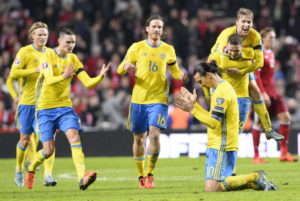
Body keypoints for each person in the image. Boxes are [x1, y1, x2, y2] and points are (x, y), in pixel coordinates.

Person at [24, 27, 111, 190]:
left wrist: (99, 77)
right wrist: (63, 76)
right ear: (59, 41)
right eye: (68, 42)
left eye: (73, 42)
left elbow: (87, 82)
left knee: (74, 136)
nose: (71, 45)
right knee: (48, 150)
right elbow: (49, 80)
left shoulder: (73, 59)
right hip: (45, 109)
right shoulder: (47, 55)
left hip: (64, 108)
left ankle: (82, 178)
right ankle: (31, 168)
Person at [175, 61, 278, 192]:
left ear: (208, 75)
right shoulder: (222, 89)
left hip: (221, 145)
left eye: (201, 81)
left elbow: (213, 123)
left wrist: (192, 110)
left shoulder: (221, 93)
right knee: (219, 185)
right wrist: (194, 105)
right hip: (225, 143)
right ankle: (256, 182)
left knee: (213, 188)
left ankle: (255, 177)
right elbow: (213, 117)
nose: (201, 86)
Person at [117, 15, 187, 189]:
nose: (157, 30)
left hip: (159, 99)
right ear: (147, 29)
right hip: (138, 100)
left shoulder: (168, 49)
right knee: (139, 139)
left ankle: (150, 173)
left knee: (154, 135)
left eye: (160, 27)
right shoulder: (137, 47)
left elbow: (175, 71)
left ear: (162, 31)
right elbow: (119, 69)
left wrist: (181, 76)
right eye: (154, 26)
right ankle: (140, 175)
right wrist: (125, 68)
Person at [207, 8, 283, 141]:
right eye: (243, 22)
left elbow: (259, 63)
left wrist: (242, 69)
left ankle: (268, 129)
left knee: (255, 90)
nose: (246, 25)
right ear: (237, 22)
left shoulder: (255, 36)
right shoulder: (226, 36)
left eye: (249, 22)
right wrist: (249, 57)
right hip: (216, 64)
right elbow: (225, 65)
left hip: (241, 64)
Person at [6, 22, 56, 187]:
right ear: (32, 36)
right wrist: (33, 71)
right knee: (25, 140)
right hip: (27, 104)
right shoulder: (25, 51)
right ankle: (19, 168)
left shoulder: (51, 53)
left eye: (45, 34)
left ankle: (48, 176)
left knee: (49, 140)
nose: (43, 37)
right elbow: (13, 73)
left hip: (45, 105)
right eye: (39, 34)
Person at [251, 27, 298, 163]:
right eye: (270, 38)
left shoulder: (271, 52)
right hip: (262, 94)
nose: (273, 40)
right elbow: (256, 75)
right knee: (259, 124)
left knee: (286, 118)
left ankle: (284, 152)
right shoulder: (258, 53)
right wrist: (263, 93)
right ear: (263, 39)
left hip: (274, 93)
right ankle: (256, 155)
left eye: (274, 37)